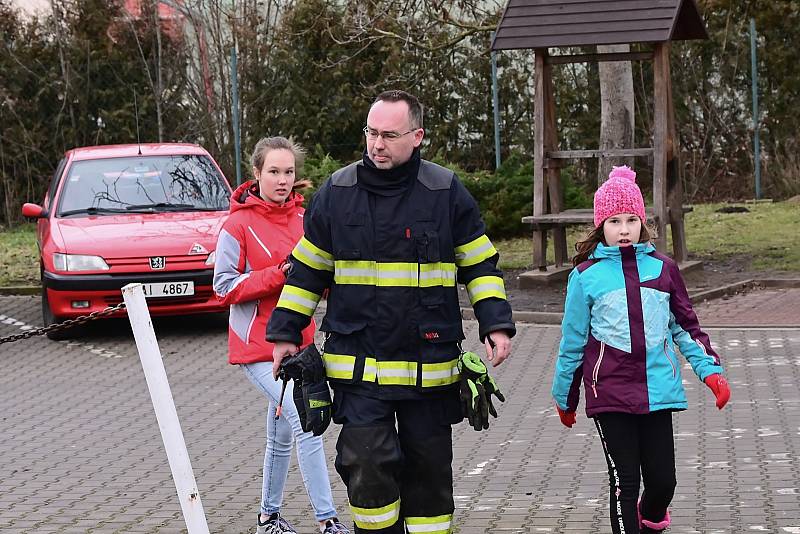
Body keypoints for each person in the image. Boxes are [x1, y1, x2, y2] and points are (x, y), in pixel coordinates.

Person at [267, 90, 515, 533]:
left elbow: (479, 263)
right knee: (366, 466)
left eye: (389, 135)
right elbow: (307, 270)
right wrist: (286, 332)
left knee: (429, 482)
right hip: (360, 368)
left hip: (430, 369)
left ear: (417, 136)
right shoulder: (338, 193)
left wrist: (495, 322)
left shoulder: (445, 192)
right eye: (371, 133)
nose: (376, 144)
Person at [551, 165, 732, 534]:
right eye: (614, 221)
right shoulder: (585, 276)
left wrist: (710, 371)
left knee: (663, 482)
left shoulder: (664, 269)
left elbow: (685, 328)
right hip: (610, 392)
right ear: (601, 226)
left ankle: (650, 520)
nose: (623, 228)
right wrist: (564, 398)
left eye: (631, 219)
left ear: (642, 222)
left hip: (657, 391)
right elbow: (572, 344)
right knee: (625, 482)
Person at [213, 136, 349, 534]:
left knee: (282, 434)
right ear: (257, 174)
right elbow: (222, 287)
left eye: (289, 172)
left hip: (299, 347)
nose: (282, 180)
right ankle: (328, 522)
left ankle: (268, 518)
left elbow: (322, 278)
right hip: (257, 348)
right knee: (305, 420)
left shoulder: (305, 220)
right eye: (274, 171)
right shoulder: (236, 224)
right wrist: (279, 273)